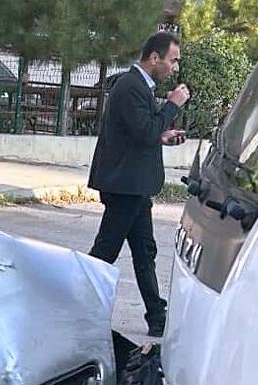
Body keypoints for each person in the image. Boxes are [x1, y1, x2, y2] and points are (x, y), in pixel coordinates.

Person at [88, 31, 189, 337]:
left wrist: (164, 135)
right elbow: (145, 131)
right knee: (105, 252)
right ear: (154, 58)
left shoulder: (140, 87)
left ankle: (156, 316)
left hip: (135, 185)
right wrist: (172, 106)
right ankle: (77, 305)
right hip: (125, 186)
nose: (175, 68)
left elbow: (142, 132)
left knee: (145, 252)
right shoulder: (130, 86)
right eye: (172, 60)